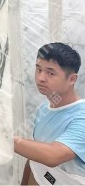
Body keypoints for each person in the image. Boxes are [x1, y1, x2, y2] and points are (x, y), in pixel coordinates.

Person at [15, 42, 85, 185]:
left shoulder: (81, 116)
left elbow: (53, 156)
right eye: (38, 69)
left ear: (72, 79)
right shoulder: (44, 109)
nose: (40, 78)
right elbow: (35, 156)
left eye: (50, 73)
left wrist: (6, 141)